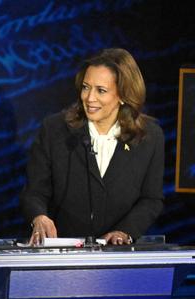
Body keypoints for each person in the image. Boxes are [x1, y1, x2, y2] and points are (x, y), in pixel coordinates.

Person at [21, 48, 164, 246]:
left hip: (116, 257)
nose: (89, 98)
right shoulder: (55, 130)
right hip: (61, 253)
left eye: (101, 90)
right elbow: (35, 191)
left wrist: (125, 232)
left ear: (123, 95)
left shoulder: (150, 136)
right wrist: (39, 217)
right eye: (86, 87)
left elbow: (151, 199)